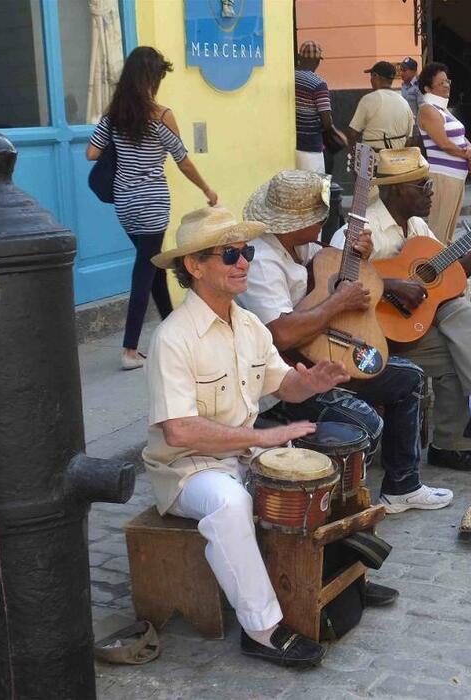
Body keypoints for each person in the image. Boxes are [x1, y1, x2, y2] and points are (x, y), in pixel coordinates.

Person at [143, 205, 350, 667]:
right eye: (229, 254)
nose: (244, 262)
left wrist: (312, 382)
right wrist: (262, 439)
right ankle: (261, 629)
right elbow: (178, 431)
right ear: (194, 267)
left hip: (240, 456)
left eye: (247, 251)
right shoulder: (173, 338)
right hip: (186, 470)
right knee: (229, 504)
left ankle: (340, 585)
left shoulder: (250, 324)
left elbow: (283, 384)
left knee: (321, 470)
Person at [237, 170, 453, 513]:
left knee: (406, 377)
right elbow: (282, 334)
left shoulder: (303, 245)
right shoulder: (263, 261)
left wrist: (360, 260)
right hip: (286, 379)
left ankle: (402, 486)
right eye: (319, 214)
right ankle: (321, 504)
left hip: (326, 355)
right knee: (363, 423)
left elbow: (338, 283)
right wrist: (339, 302)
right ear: (296, 222)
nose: (325, 219)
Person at [330, 148, 471, 471]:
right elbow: (336, 281)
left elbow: (448, 273)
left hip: (411, 329)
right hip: (370, 336)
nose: (431, 192)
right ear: (395, 190)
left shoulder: (418, 226)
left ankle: (450, 444)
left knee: (462, 344)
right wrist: (390, 287)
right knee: (464, 335)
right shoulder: (359, 229)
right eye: (422, 186)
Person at [86, 47, 217, 371]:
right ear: (151, 79)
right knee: (145, 270)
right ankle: (130, 349)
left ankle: (175, 333)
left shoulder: (113, 116)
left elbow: (91, 153)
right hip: (152, 201)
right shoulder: (160, 115)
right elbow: (182, 160)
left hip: (125, 203)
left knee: (154, 264)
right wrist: (207, 189)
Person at [417, 62, 471, 244]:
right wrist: (467, 155)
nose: (446, 85)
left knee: (448, 233)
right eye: (441, 82)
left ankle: (446, 268)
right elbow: (443, 143)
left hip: (456, 177)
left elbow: (459, 135)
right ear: (427, 88)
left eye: (447, 81)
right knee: (439, 232)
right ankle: (432, 269)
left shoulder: (442, 110)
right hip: (443, 177)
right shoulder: (427, 109)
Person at [347, 61, 414, 152]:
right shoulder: (403, 101)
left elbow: (352, 134)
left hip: (375, 160)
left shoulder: (368, 99)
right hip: (399, 161)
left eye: (371, 75)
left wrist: (354, 152)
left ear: (376, 76)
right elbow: (409, 138)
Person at [294, 40, 334, 174]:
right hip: (310, 146)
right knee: (314, 188)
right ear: (318, 61)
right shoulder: (319, 84)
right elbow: (326, 121)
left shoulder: (289, 77)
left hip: (290, 144)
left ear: (299, 58)